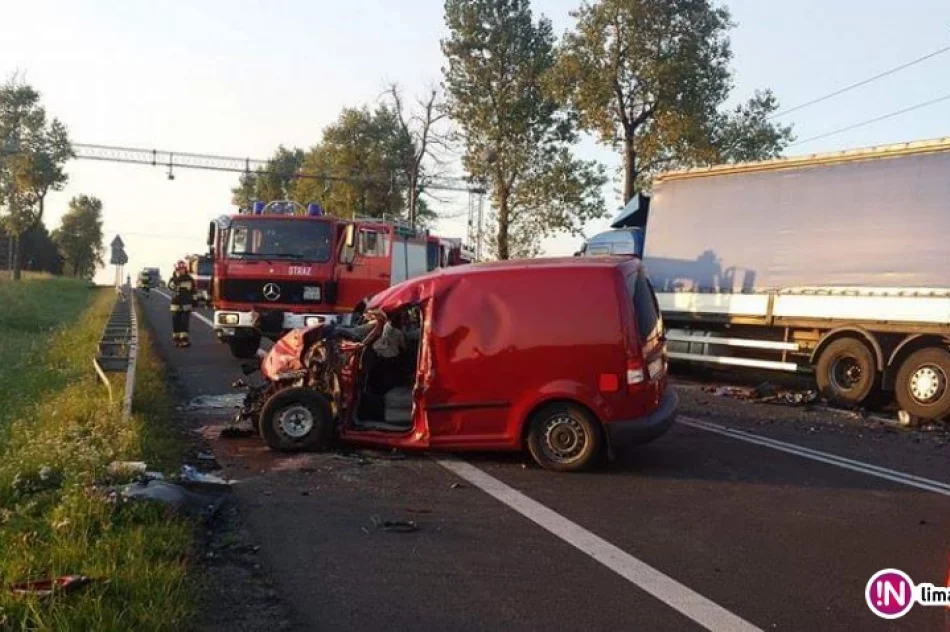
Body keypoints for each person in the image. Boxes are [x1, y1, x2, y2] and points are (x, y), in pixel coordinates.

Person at [167, 260, 196, 348]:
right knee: (176, 323)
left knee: (184, 323)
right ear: (176, 270)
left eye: (183, 269)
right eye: (179, 269)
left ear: (185, 269)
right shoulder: (173, 279)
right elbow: (171, 287)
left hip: (186, 304)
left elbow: (193, 291)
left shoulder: (189, 279)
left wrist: (194, 302)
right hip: (175, 304)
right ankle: (176, 340)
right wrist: (177, 277)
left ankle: (184, 340)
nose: (181, 270)